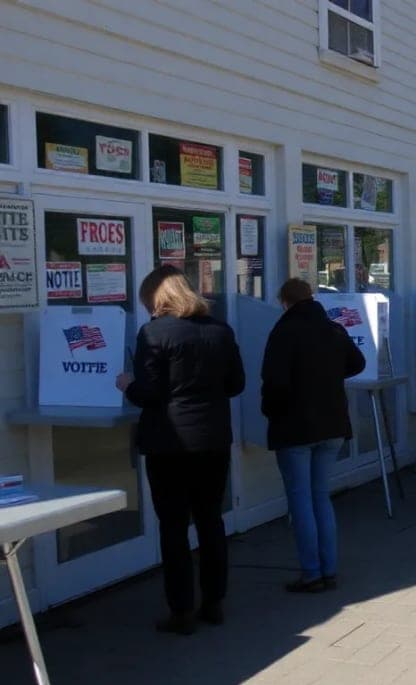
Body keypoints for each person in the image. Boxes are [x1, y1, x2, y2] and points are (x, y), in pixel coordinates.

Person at [116, 265, 244, 635]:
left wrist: (127, 383)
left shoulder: (154, 333)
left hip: (168, 445)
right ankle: (214, 602)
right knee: (210, 521)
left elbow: (149, 392)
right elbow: (236, 384)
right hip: (213, 441)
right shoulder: (221, 330)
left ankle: (181, 611)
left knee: (173, 527)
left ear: (157, 297)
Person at [261, 278, 365, 594]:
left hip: (295, 427)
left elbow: (274, 382)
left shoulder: (284, 331)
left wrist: (271, 412)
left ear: (284, 301)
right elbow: (357, 362)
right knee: (320, 497)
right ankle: (328, 569)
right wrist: (330, 376)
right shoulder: (333, 329)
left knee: (301, 500)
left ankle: (311, 573)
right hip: (332, 425)